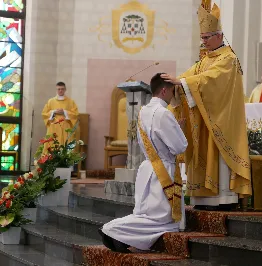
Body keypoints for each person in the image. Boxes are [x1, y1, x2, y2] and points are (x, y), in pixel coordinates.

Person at [161, 3, 251, 210]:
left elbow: (211, 80)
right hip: (204, 119)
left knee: (216, 154)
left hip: (222, 121)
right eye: (202, 38)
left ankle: (223, 199)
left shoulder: (228, 59)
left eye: (207, 37)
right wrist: (175, 82)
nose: (203, 42)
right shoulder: (205, 60)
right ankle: (203, 198)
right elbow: (190, 75)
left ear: (219, 35)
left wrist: (183, 83)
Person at [99, 73, 188, 253]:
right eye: (172, 91)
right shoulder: (164, 113)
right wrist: (180, 129)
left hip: (148, 167)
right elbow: (179, 147)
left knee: (151, 215)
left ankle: (123, 239)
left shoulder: (143, 111)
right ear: (164, 90)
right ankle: (113, 230)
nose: (173, 96)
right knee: (161, 220)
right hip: (163, 170)